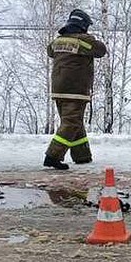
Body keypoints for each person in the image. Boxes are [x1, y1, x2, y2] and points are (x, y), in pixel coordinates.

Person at [44, 9, 107, 170]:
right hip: (75, 90)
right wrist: (88, 39)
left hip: (58, 88)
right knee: (71, 123)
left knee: (75, 122)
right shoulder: (84, 41)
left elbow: (50, 51)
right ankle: (53, 156)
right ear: (83, 26)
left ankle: (82, 156)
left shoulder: (57, 41)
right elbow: (101, 50)